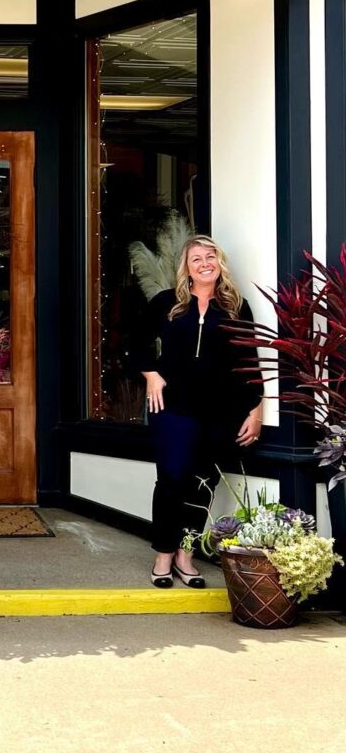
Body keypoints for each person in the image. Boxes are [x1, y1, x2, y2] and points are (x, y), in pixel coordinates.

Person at [139, 235, 263, 588]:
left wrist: (255, 409)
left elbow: (250, 362)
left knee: (202, 483)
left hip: (221, 410)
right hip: (174, 407)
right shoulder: (167, 303)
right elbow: (135, 341)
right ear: (187, 268)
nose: (205, 262)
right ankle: (163, 555)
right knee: (172, 479)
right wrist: (151, 374)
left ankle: (186, 556)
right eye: (196, 258)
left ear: (219, 263)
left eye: (211, 256)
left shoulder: (237, 306)